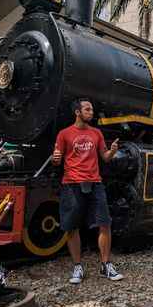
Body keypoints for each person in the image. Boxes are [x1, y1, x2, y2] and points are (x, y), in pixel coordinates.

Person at [53, 98, 122, 284]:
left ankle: (105, 265)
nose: (91, 112)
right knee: (71, 226)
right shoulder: (64, 134)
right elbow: (57, 161)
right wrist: (55, 158)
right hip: (71, 183)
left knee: (104, 223)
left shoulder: (96, 133)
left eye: (91, 109)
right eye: (87, 109)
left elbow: (105, 158)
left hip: (95, 183)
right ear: (77, 112)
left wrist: (113, 151)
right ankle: (77, 266)